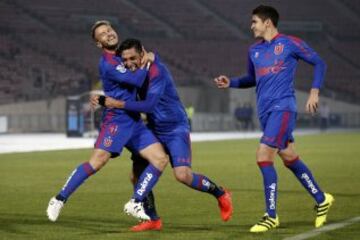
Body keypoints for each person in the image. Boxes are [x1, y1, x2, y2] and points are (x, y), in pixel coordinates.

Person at [91, 38, 233, 232]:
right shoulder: (134, 74)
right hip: (152, 128)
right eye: (125, 60)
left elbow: (149, 105)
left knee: (182, 175)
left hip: (174, 128)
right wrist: (99, 98)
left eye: (133, 57)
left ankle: (221, 194)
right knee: (136, 175)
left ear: (142, 52)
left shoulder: (157, 71)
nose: (129, 63)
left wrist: (117, 104)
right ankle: (152, 219)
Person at [214, 5, 334, 233]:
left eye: (254, 22)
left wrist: (314, 91)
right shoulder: (254, 51)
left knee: (263, 155)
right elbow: (252, 78)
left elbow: (320, 62)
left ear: (267, 22)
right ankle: (321, 199)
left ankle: (271, 215)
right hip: (266, 112)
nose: (251, 26)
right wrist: (231, 82)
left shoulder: (290, 43)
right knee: (290, 158)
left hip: (283, 108)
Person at [46, 20, 169, 223]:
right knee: (97, 162)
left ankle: (136, 202)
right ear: (99, 43)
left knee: (160, 159)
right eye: (103, 34)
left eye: (109, 30)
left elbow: (139, 65)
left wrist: (150, 58)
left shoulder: (123, 54)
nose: (109, 34)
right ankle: (59, 199)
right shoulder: (108, 63)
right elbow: (138, 80)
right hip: (117, 121)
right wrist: (148, 61)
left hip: (135, 122)